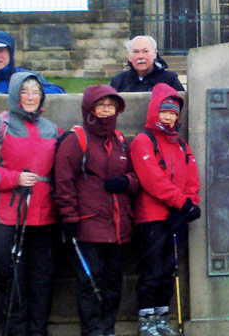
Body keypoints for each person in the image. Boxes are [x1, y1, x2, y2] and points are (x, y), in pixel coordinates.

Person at [0, 71, 62, 336]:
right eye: (25, 91)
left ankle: (38, 330)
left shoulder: (51, 129)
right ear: (15, 94)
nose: (31, 97)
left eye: (35, 91)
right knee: (12, 279)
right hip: (7, 215)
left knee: (42, 280)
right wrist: (14, 178)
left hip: (43, 217)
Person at [54, 85, 138, 336]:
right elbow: (64, 180)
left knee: (114, 283)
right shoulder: (76, 140)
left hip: (117, 225)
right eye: (101, 105)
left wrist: (126, 182)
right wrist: (69, 216)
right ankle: (92, 331)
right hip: (88, 225)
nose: (106, 110)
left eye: (110, 105)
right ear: (90, 108)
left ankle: (108, 328)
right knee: (90, 283)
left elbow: (135, 176)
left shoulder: (121, 140)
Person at [130, 83, 201, 336]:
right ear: (154, 112)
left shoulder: (181, 145)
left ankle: (162, 317)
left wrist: (190, 204)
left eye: (172, 113)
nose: (168, 117)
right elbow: (152, 180)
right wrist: (181, 202)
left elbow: (192, 178)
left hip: (175, 217)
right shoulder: (143, 140)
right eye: (164, 111)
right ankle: (146, 321)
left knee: (169, 270)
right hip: (152, 218)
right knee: (152, 271)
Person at [110, 35, 185, 92]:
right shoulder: (118, 81)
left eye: (145, 51)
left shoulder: (169, 79)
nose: (140, 56)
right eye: (135, 52)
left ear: (155, 53)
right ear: (129, 56)